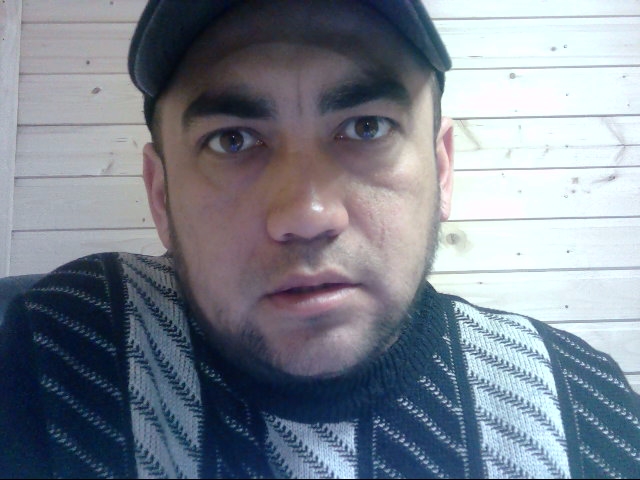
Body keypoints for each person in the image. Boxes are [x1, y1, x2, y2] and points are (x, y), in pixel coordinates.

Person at [1, 0, 638, 478]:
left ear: (442, 170)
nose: (306, 215)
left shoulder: (577, 406)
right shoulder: (55, 351)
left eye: (366, 127)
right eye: (233, 140)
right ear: (162, 195)